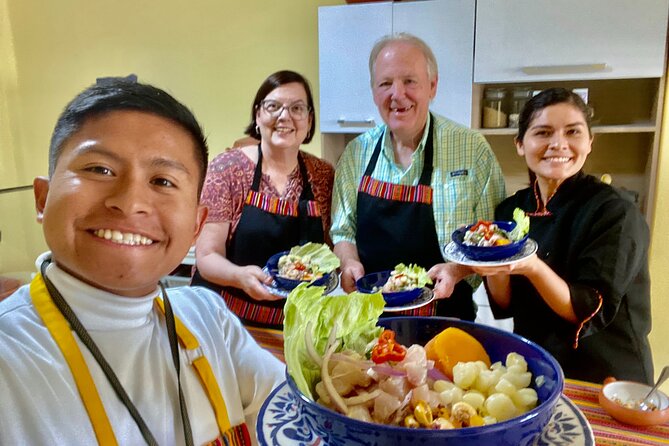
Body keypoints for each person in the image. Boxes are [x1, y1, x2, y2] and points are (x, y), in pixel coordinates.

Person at [0, 79, 284, 445]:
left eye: (163, 180)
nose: (130, 201)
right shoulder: (10, 363)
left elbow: (292, 415)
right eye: (99, 169)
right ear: (43, 198)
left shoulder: (208, 317)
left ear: (196, 225)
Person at [472, 88, 653, 384]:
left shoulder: (615, 212)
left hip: (604, 374)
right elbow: (505, 303)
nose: (558, 144)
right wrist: (493, 260)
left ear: (590, 142)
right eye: (543, 133)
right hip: (537, 364)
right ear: (520, 144)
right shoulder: (512, 208)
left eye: (573, 132)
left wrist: (529, 265)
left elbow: (587, 309)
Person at [330, 33, 506, 319]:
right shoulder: (356, 153)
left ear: (432, 86)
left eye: (409, 81)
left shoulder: (472, 150)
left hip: (446, 317)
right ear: (374, 92)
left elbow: (494, 241)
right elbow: (343, 230)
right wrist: (348, 262)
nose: (397, 95)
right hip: (369, 319)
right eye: (385, 83)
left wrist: (457, 270)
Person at [191, 70, 334, 328]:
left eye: (297, 108)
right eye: (273, 106)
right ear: (258, 115)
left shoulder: (323, 175)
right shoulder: (228, 169)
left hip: (295, 327)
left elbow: (328, 252)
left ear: (309, 120)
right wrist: (240, 276)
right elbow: (206, 256)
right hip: (227, 322)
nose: (285, 116)